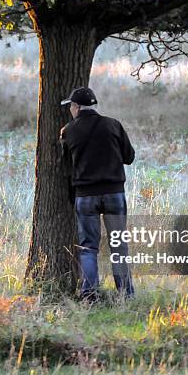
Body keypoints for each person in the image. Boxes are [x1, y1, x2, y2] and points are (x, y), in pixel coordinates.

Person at [59, 86, 135, 302]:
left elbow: (65, 167)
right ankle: (125, 295)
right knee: (119, 245)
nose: (70, 110)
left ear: (75, 107)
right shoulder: (113, 125)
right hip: (114, 194)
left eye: (71, 107)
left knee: (88, 248)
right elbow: (129, 157)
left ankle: (89, 296)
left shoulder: (68, 131)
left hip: (85, 196)